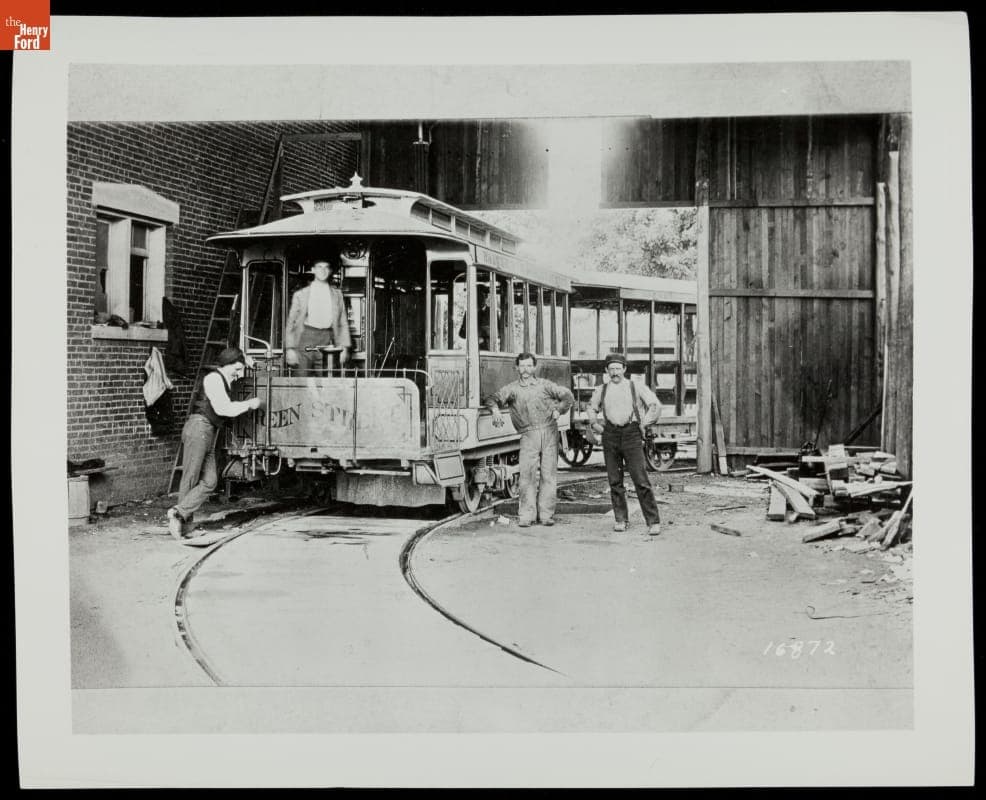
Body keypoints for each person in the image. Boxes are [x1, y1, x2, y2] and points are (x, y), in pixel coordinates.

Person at [167, 347, 263, 540]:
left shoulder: (225, 377)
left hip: (209, 430)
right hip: (199, 428)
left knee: (210, 481)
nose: (238, 374)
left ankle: (179, 513)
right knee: (191, 476)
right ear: (226, 365)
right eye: (236, 370)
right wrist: (249, 404)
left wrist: (250, 362)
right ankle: (184, 526)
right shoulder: (213, 379)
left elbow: (241, 359)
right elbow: (224, 408)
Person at [488, 352, 574, 527]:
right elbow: (492, 399)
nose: (525, 370)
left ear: (534, 367)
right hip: (528, 435)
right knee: (527, 476)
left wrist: (560, 410)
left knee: (548, 475)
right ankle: (526, 516)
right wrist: (495, 411)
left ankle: (546, 515)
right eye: (522, 366)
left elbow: (567, 396)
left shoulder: (545, 385)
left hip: (549, 432)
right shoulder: (512, 389)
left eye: (529, 366)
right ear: (517, 368)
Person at [587, 353, 664, 536]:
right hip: (610, 435)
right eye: (611, 369)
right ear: (606, 370)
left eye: (618, 368)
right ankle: (620, 519)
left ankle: (653, 522)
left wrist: (644, 423)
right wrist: (595, 423)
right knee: (615, 480)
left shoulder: (635, 386)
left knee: (640, 479)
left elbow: (655, 405)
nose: (615, 372)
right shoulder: (602, 389)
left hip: (631, 434)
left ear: (624, 369)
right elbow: (591, 407)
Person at [285, 258, 351, 376]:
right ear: (313, 270)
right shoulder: (300, 295)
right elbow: (291, 323)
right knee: (301, 379)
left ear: (330, 271)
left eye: (326, 267)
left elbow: (343, 322)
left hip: (328, 339)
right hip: (305, 338)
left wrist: (344, 348)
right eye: (319, 267)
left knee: (327, 381)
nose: (323, 270)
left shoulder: (337, 295)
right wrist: (290, 348)